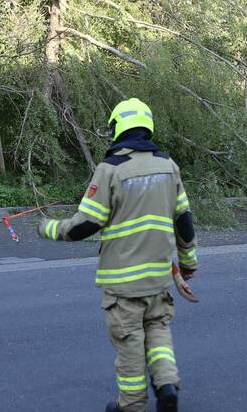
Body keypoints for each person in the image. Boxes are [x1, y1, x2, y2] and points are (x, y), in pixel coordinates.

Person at [39, 98, 198, 412]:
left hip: (123, 284)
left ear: (117, 128)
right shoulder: (168, 166)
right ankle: (167, 384)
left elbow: (85, 225)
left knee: (129, 343)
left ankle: (132, 405)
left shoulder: (109, 169)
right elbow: (184, 221)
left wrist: (47, 227)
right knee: (157, 329)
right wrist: (188, 263)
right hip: (157, 279)